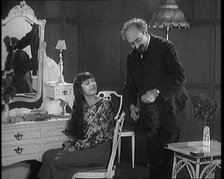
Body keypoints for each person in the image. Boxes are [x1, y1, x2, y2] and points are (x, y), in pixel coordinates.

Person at [121, 18, 191, 178]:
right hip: (151, 115)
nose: (136, 46)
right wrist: (131, 105)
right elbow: (129, 87)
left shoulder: (165, 47)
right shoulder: (132, 58)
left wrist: (156, 91)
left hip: (173, 112)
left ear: (145, 32)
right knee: (153, 159)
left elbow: (179, 77)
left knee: (166, 160)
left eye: (138, 40)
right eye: (131, 43)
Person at [37, 71, 116, 179]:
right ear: (80, 88)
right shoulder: (82, 107)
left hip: (98, 153)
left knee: (52, 159)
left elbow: (97, 137)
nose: (93, 84)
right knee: (47, 155)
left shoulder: (105, 105)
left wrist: (76, 146)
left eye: (93, 81)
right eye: (87, 83)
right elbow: (87, 136)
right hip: (87, 148)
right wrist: (73, 144)